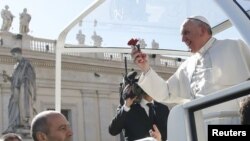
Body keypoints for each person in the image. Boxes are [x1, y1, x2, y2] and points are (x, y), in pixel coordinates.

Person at [131, 16, 250, 124]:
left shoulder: (234, 46)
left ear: (202, 30)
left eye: (186, 33)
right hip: (200, 129)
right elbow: (166, 92)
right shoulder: (187, 66)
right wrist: (145, 68)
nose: (182, 39)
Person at [109, 71, 169, 141]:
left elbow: (171, 135)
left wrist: (160, 139)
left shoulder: (163, 109)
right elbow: (113, 130)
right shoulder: (128, 108)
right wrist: (126, 106)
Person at [2, 47, 37, 133]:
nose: (13, 57)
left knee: (23, 106)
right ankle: (14, 124)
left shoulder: (26, 63)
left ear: (19, 53)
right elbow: (14, 78)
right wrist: (8, 77)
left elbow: (31, 77)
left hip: (23, 89)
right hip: (15, 90)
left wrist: (23, 84)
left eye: (14, 55)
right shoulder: (16, 66)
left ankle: (25, 123)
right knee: (12, 106)